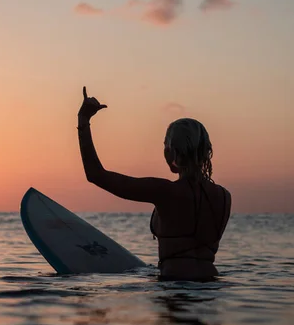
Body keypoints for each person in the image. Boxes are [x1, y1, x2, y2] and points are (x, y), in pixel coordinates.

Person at [77, 86, 231, 281]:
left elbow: (96, 175)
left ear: (172, 151)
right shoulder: (224, 197)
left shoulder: (164, 192)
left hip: (174, 284)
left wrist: (83, 121)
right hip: (210, 288)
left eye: (165, 146)